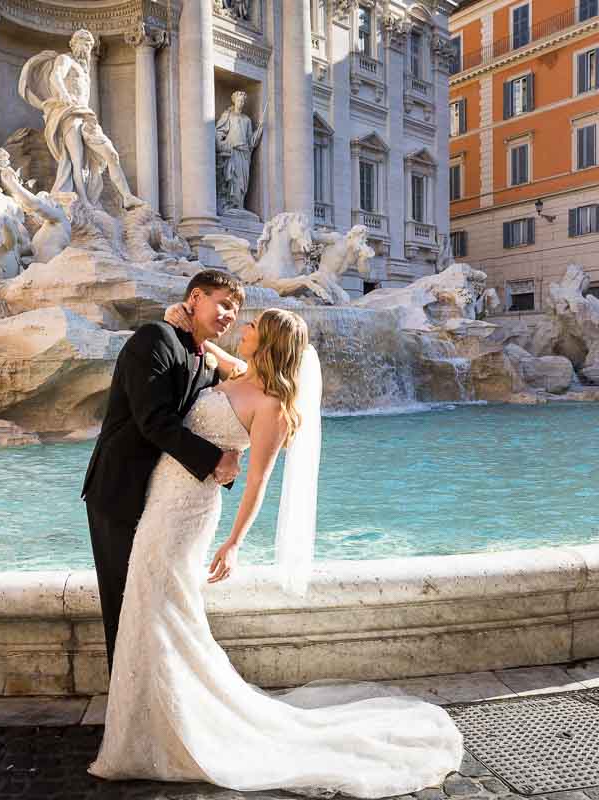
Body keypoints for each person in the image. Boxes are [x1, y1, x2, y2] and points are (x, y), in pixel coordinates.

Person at [87, 307, 465, 798]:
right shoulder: (239, 371)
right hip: (161, 497)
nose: (243, 329)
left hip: (188, 514)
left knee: (162, 605)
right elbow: (200, 348)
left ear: (269, 342)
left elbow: (259, 483)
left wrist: (235, 543)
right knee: (150, 606)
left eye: (253, 328)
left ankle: (170, 728)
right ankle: (149, 722)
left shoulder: (275, 409)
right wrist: (176, 317)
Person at [80, 270, 245, 671]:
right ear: (194, 298)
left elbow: (236, 385)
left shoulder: (204, 358)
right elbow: (153, 420)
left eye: (236, 311)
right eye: (223, 303)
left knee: (155, 603)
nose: (229, 315)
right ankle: (128, 703)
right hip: (120, 490)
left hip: (167, 498)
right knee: (125, 604)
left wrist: (232, 453)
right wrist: (216, 460)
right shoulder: (154, 339)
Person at [18, 29, 143, 209]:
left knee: (111, 154)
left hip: (86, 116)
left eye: (89, 45)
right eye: (83, 43)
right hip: (69, 114)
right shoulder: (65, 59)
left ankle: (127, 196)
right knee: (77, 160)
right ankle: (83, 202)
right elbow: (56, 76)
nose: (86, 48)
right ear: (73, 44)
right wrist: (63, 93)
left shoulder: (85, 70)